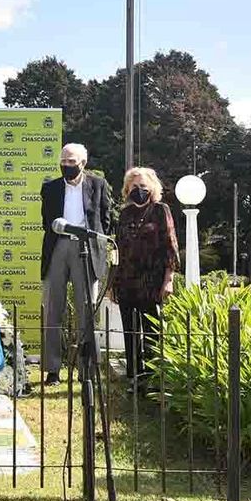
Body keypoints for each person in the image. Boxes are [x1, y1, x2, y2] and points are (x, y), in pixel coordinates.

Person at [39, 143, 114, 385]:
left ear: (83, 163)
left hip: (85, 248)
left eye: (71, 161)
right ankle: (52, 369)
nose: (66, 165)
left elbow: (106, 218)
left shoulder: (97, 184)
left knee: (87, 311)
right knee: (53, 308)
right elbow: (46, 221)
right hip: (58, 247)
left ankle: (87, 370)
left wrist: (96, 244)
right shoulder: (49, 188)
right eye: (63, 161)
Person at [110, 167, 179, 391]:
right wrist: (112, 283)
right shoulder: (124, 214)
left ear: (152, 188)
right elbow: (117, 249)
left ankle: (152, 377)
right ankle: (133, 377)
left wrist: (169, 278)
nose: (138, 191)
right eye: (134, 187)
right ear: (127, 189)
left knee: (151, 329)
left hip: (152, 278)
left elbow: (170, 245)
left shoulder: (161, 210)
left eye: (143, 187)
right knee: (130, 330)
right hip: (127, 279)